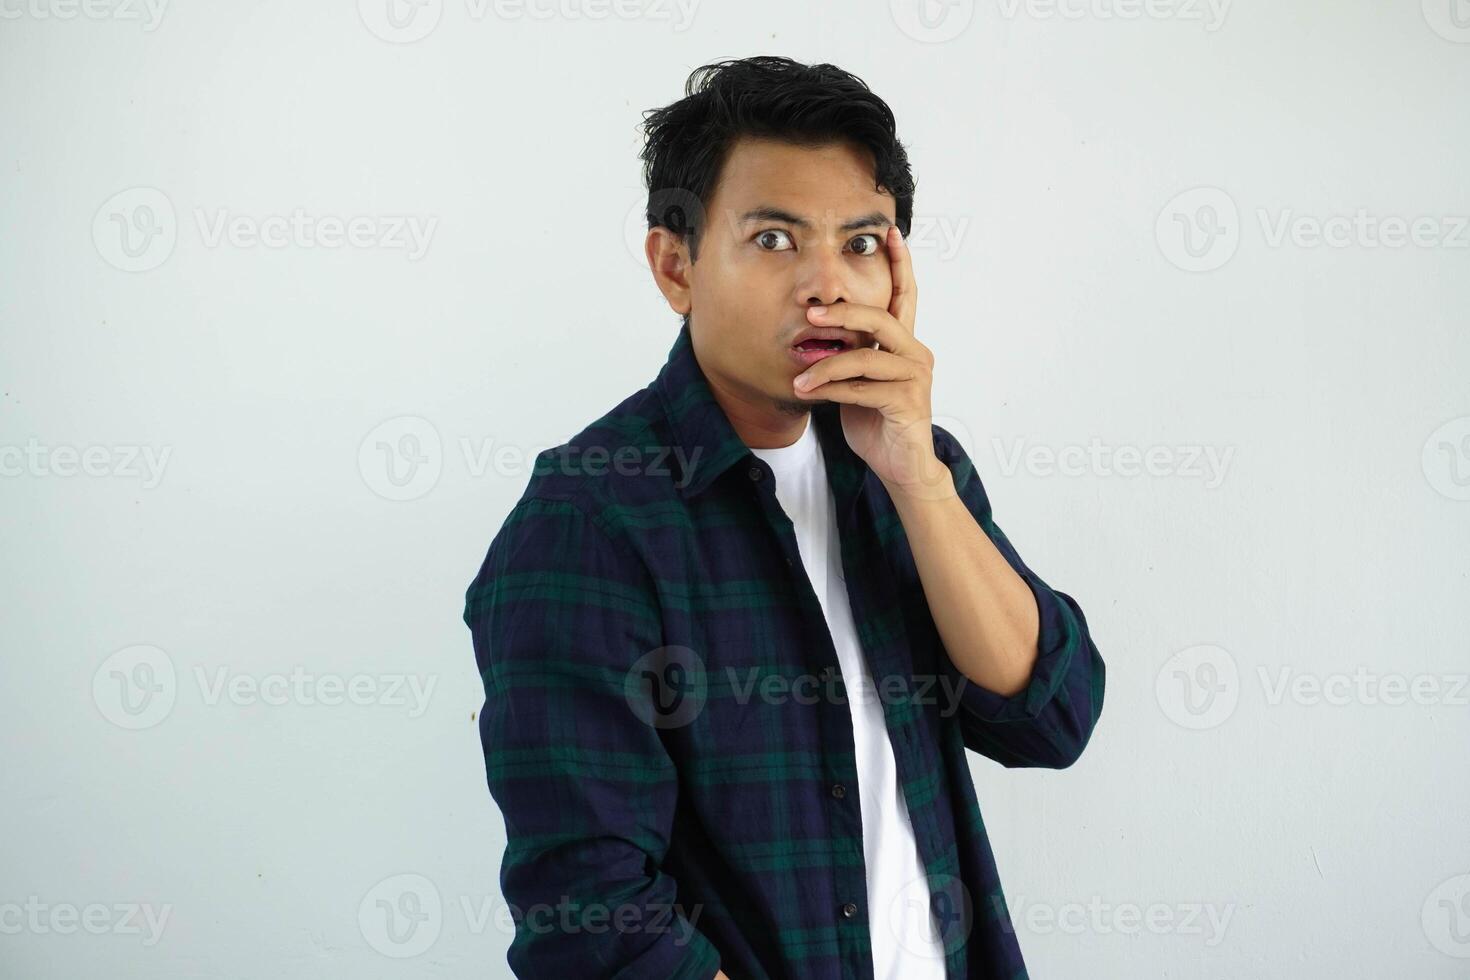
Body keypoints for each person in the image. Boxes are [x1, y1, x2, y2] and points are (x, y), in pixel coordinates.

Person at [463, 55, 1106, 979]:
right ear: (674, 264)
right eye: (774, 240)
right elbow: (592, 922)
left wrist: (915, 477)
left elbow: (1052, 718)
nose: (826, 286)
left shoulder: (910, 468)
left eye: (861, 244)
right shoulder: (588, 523)